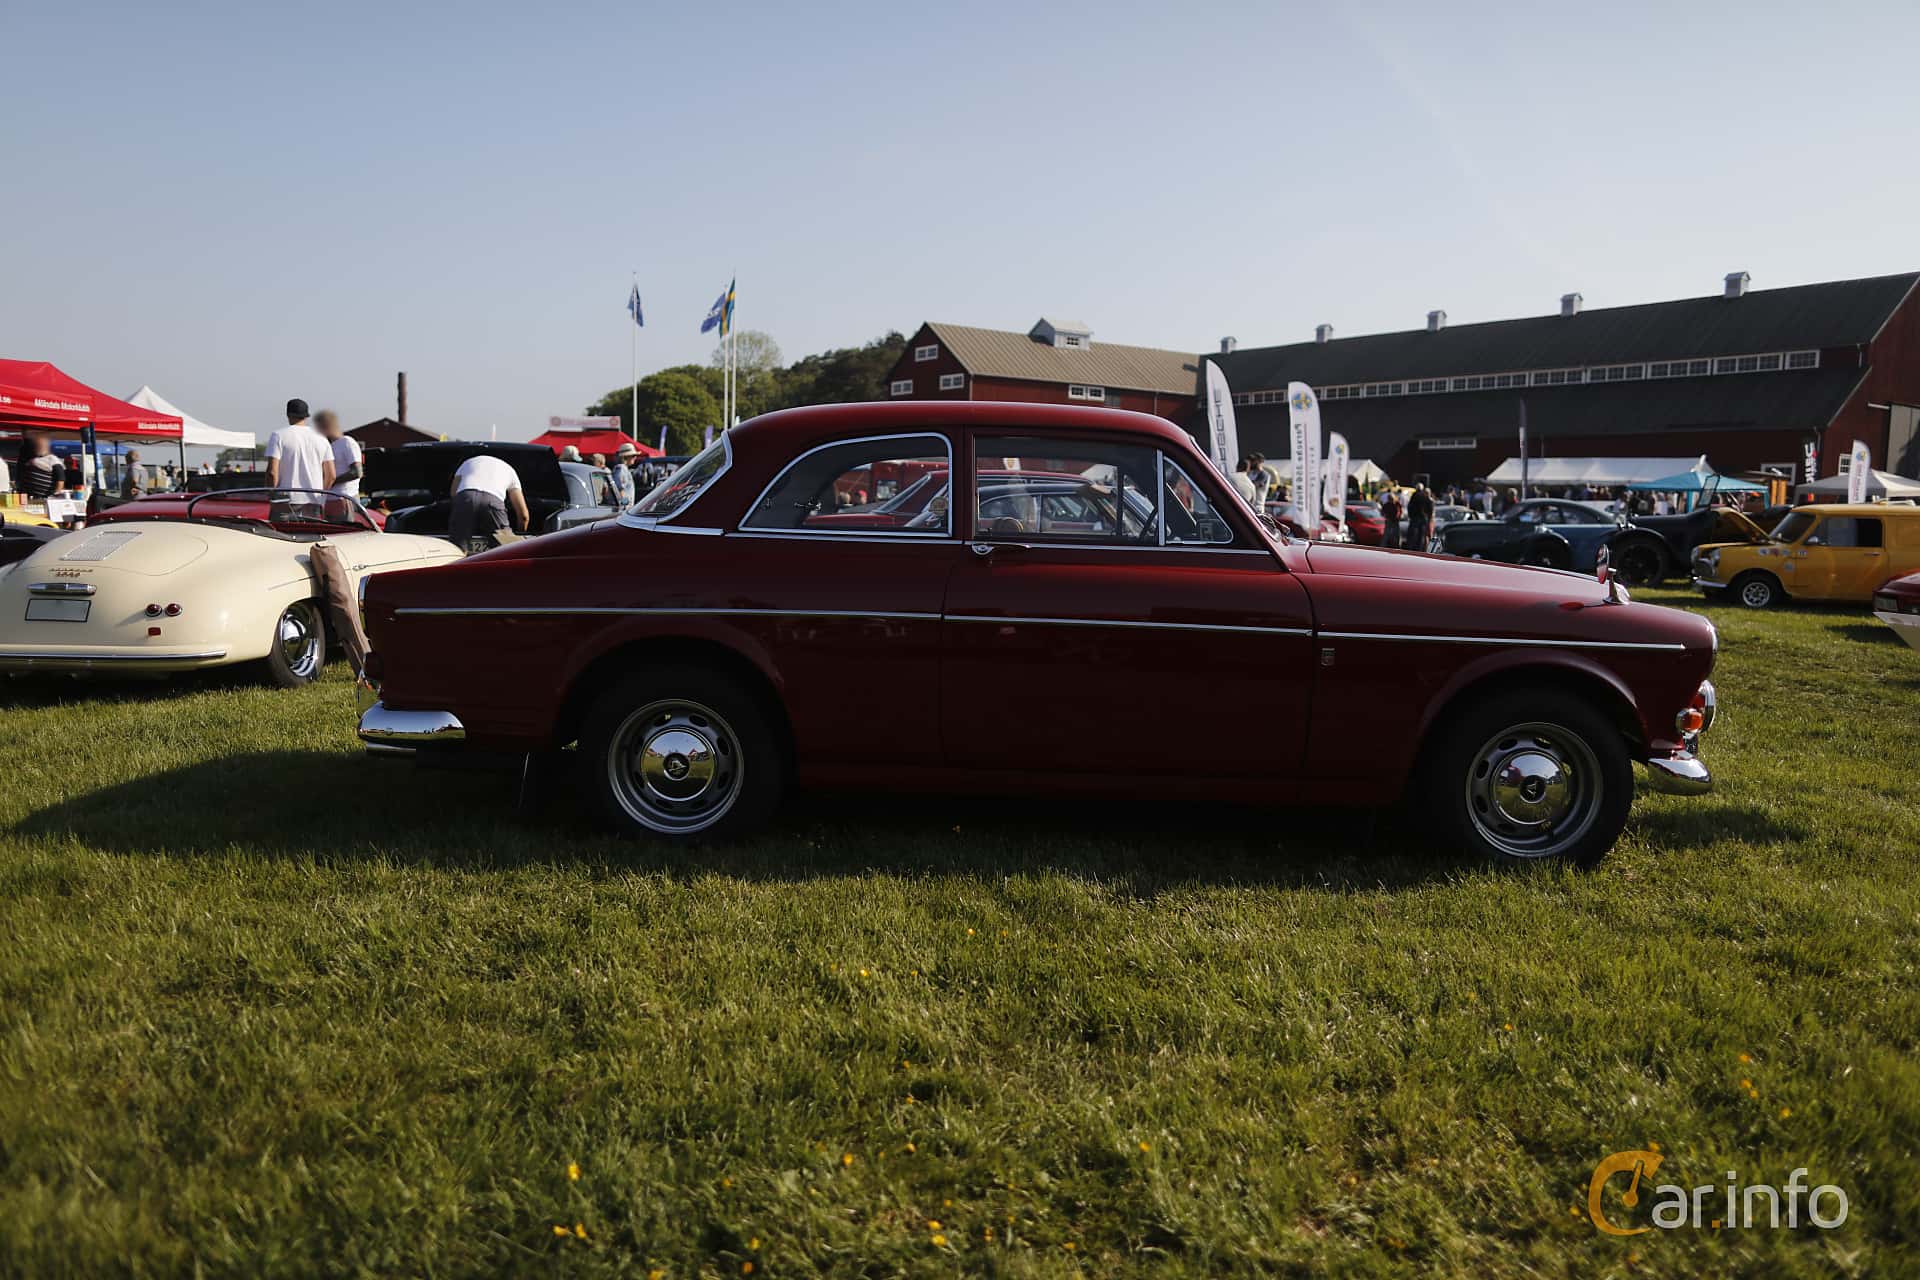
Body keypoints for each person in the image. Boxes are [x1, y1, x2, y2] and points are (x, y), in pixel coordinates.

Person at [448, 451, 530, 552]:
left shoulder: (467, 463)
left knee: (456, 550)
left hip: (465, 498)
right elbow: (523, 515)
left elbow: (453, 493)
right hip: (493, 502)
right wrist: (521, 533)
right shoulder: (510, 471)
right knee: (505, 549)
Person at [265, 398, 336, 492]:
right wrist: (321, 496)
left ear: (288, 415)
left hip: (286, 499)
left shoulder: (278, 436)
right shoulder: (322, 438)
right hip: (314, 500)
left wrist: (272, 495)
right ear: (306, 416)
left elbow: (272, 472)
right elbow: (331, 475)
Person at [316, 411, 363, 500]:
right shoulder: (330, 446)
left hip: (345, 498)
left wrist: (331, 480)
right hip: (330, 499)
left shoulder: (347, 442)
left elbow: (357, 472)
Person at [17, 433, 65, 499]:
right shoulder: (28, 458)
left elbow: (60, 479)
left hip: (45, 497)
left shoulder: (53, 459)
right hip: (27, 497)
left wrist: (56, 493)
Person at [1406, 483, 1435, 550]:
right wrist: (1428, 517)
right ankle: (1420, 549)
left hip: (1415, 518)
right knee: (1421, 535)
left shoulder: (1414, 495)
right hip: (1423, 518)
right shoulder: (1425, 496)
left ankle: (1412, 548)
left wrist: (1410, 515)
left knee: (1413, 535)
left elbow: (1410, 507)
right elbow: (1430, 508)